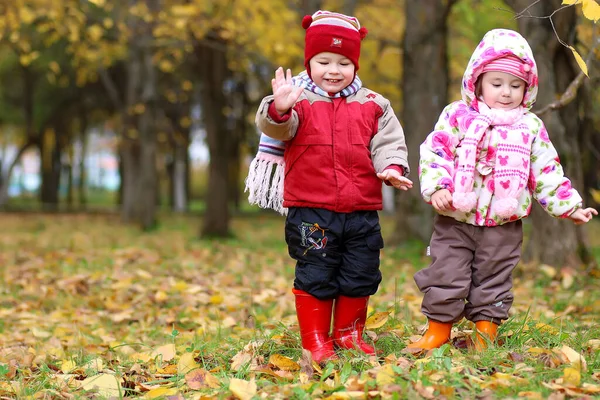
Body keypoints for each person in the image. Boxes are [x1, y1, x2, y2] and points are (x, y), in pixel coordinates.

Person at [412, 28, 598, 351]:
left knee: (494, 280)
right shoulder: (459, 116)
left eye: (516, 85)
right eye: (497, 83)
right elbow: (435, 150)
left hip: (503, 223)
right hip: (456, 217)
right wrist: (438, 186)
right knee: (446, 273)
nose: (506, 92)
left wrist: (569, 206)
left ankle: (485, 335)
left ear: (528, 88)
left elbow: (547, 170)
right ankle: (437, 331)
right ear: (478, 81)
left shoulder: (529, 127)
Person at [249, 10, 413, 362]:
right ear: (310, 63)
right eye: (323, 61)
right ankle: (315, 339)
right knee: (316, 271)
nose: (333, 70)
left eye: (343, 62)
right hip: (312, 208)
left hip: (361, 210)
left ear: (355, 65)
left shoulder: (373, 104)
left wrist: (391, 167)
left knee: (361, 271)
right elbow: (277, 127)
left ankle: (348, 333)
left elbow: (388, 143)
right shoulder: (299, 101)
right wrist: (279, 108)